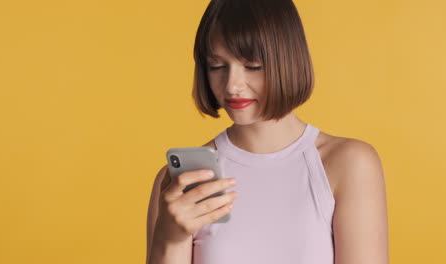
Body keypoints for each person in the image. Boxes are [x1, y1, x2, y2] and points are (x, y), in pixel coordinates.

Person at [147, 0, 389, 263]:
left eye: (252, 66)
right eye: (217, 66)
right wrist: (169, 238)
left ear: (288, 60)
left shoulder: (349, 164)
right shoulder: (179, 183)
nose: (232, 86)